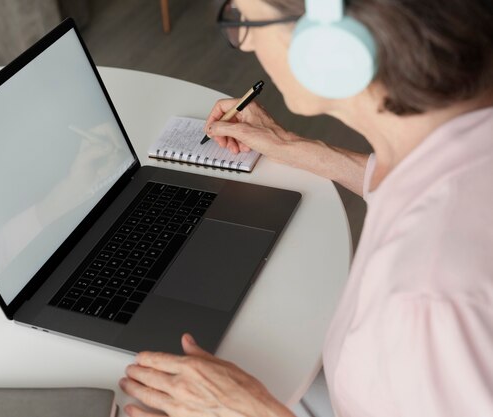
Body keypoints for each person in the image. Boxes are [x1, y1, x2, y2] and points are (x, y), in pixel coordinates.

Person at [119, 0, 493, 415]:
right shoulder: (465, 141)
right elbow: (413, 182)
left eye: (245, 19)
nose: (245, 45)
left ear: (323, 41)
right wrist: (291, 147)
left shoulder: (429, 297)